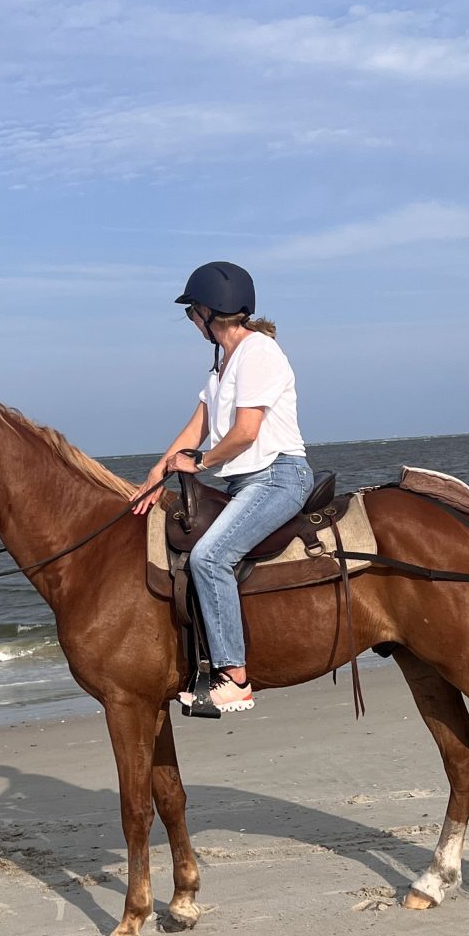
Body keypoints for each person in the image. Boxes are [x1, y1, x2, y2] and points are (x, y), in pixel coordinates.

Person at [135, 262, 313, 714]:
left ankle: (234, 676)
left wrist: (200, 463)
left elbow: (246, 431)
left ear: (208, 311)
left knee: (210, 555)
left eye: (193, 314)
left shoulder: (259, 353)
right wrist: (154, 477)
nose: (194, 323)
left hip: (277, 476)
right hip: (243, 481)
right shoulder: (221, 369)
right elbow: (194, 428)